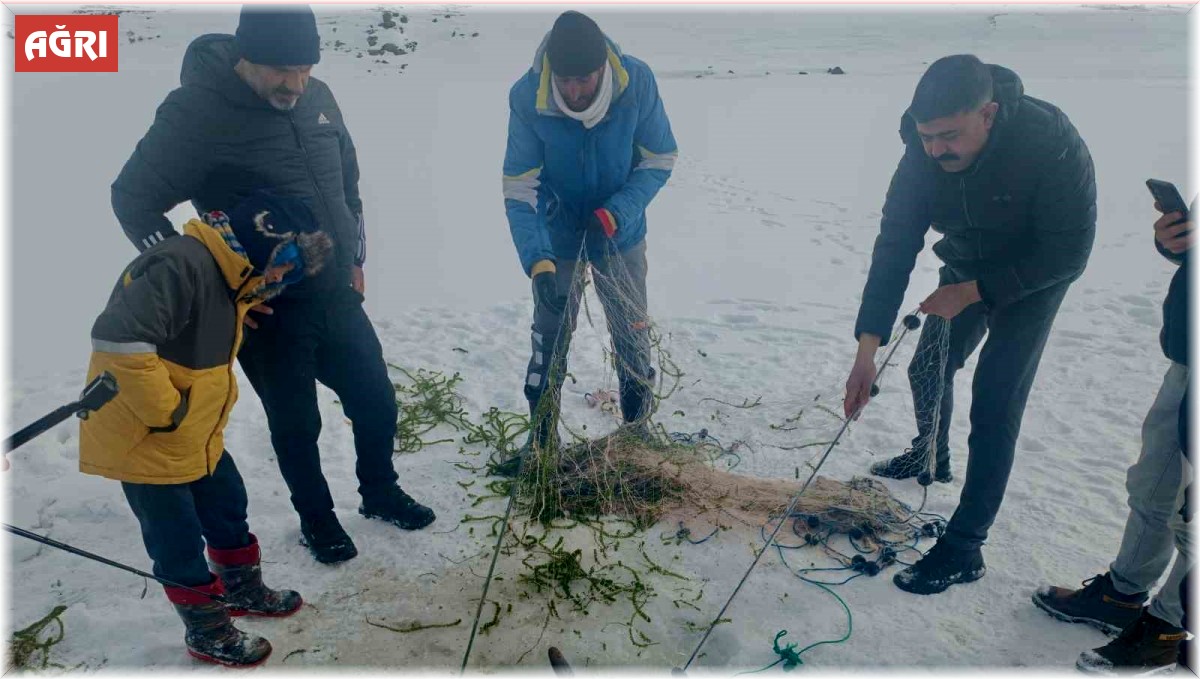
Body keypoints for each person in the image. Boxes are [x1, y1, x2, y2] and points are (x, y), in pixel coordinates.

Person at [110, 5, 434, 565]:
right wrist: (210, 289)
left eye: (306, 68)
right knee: (297, 423)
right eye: (282, 70)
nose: (297, 83)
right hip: (269, 310)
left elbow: (346, 181)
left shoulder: (320, 97)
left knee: (376, 401)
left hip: (334, 293)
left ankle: (379, 492)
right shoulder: (196, 113)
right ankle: (317, 520)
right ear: (245, 57)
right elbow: (132, 200)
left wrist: (356, 256)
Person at [843, 54, 1096, 594]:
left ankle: (964, 548)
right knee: (927, 369)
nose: (936, 150)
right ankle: (928, 452)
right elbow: (895, 245)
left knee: (995, 399)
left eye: (948, 136)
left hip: (1034, 278)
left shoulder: (1049, 139)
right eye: (926, 136)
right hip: (963, 263)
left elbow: (1070, 251)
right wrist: (866, 350)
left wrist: (976, 292)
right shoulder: (921, 150)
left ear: (989, 113)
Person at [80, 192, 332, 666]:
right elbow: (119, 337)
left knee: (226, 502)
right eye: (286, 261)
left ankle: (241, 589)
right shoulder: (182, 263)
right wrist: (168, 413)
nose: (281, 277)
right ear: (264, 240)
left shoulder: (228, 274)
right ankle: (207, 630)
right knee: (175, 537)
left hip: (192, 427)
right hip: (147, 434)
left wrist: (186, 415)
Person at [494, 10, 677, 475]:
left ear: (602, 68)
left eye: (584, 79)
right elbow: (520, 186)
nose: (574, 91)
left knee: (632, 332)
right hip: (557, 235)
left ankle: (637, 438)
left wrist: (618, 210)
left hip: (620, 232)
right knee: (550, 336)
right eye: (566, 80)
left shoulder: (636, 82)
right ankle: (540, 444)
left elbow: (660, 158)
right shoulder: (527, 97)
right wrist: (537, 260)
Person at [1033, 200, 1192, 674]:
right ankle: (1122, 596)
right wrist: (1175, 240)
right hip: (1189, 353)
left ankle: (1167, 629)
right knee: (1154, 483)